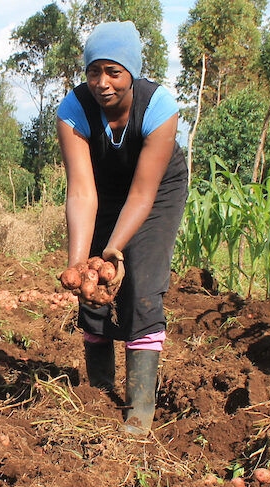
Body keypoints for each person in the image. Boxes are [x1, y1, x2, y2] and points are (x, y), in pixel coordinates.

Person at [56, 22, 188, 435]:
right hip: (101, 189)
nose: (102, 83)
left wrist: (112, 250)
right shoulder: (73, 111)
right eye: (94, 72)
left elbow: (143, 195)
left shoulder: (159, 108)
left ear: (132, 70)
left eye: (114, 71)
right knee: (93, 290)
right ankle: (98, 391)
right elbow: (81, 192)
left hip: (155, 191)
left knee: (141, 285)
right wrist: (81, 262)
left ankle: (140, 407)